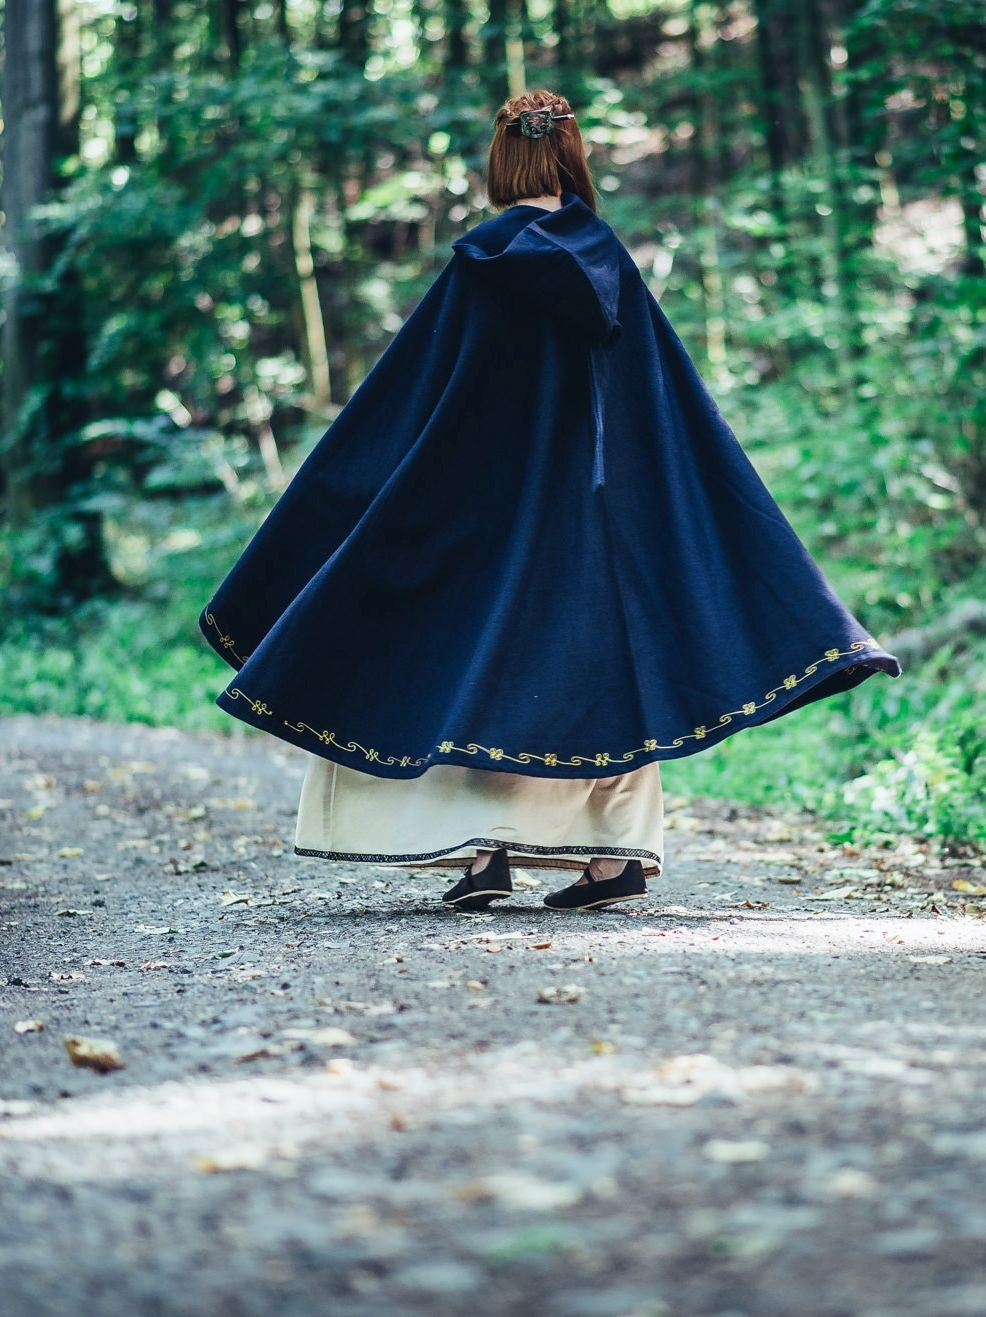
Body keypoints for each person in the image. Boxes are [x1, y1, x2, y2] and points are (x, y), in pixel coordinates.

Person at [199, 88, 902, 913]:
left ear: (504, 159)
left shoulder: (479, 266)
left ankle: (482, 854)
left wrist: (361, 504)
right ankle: (615, 863)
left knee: (463, 663)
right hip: (595, 524)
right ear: (573, 157)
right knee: (613, 680)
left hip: (484, 519)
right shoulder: (612, 263)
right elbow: (663, 412)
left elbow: (411, 406)